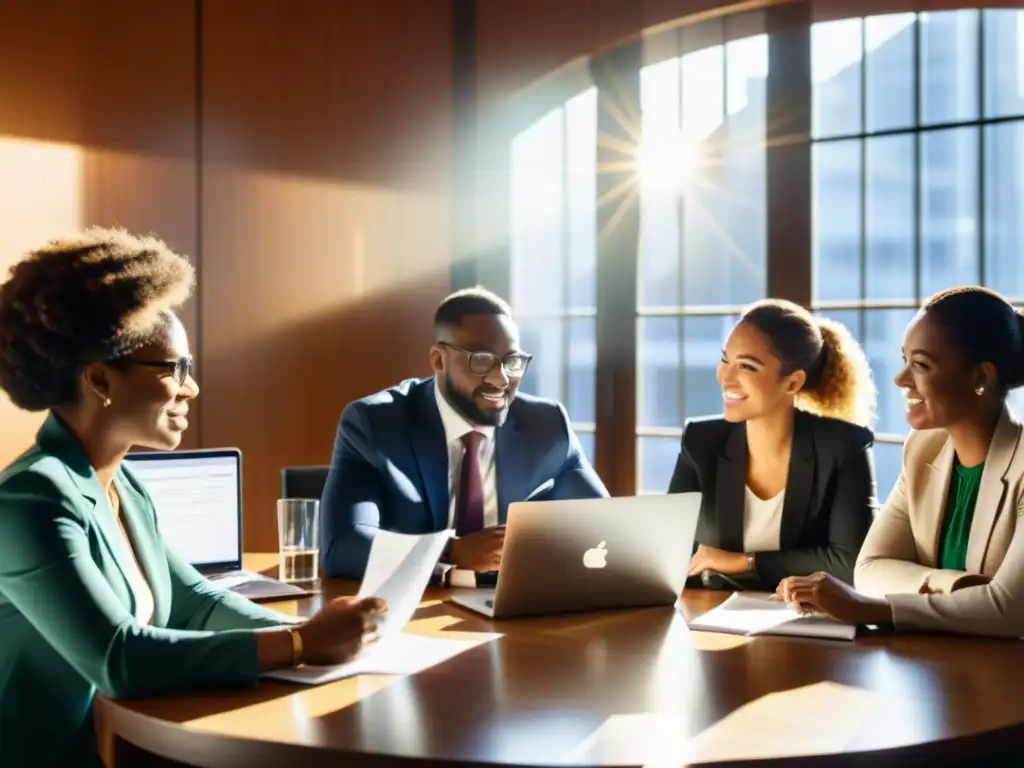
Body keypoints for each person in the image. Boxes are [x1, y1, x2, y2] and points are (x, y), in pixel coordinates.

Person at [0, 228, 386, 767]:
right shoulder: (31, 500)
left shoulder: (123, 483)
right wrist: (301, 646)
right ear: (100, 379)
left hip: (121, 743)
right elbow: (120, 658)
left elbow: (195, 603)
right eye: (174, 369)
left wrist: (312, 633)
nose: (191, 387)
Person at [776, 287, 1024, 638]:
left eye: (921, 365)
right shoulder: (924, 448)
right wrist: (961, 588)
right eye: (904, 359)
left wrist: (873, 608)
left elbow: (1008, 610)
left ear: (981, 378)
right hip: (940, 663)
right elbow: (870, 569)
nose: (900, 378)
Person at [320, 286, 608, 581]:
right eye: (481, 359)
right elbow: (342, 547)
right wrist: (452, 552)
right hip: (419, 609)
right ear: (438, 360)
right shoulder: (375, 423)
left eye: (512, 361)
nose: (501, 378)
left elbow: (611, 529)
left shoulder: (546, 425)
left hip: (515, 607)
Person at [668, 298, 878, 591]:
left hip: (806, 622)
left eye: (747, 367)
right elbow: (672, 555)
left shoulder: (844, 446)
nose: (725, 377)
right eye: (725, 359)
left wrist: (744, 561)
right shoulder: (701, 441)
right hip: (712, 617)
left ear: (793, 383)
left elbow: (852, 564)